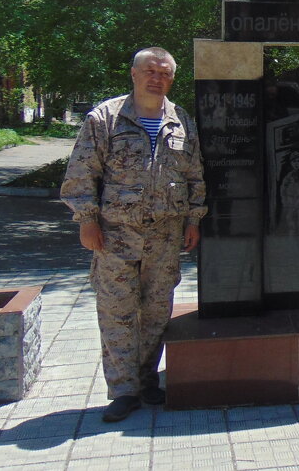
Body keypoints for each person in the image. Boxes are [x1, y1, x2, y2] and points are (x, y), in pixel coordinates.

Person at [61, 47, 206, 422]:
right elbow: (82, 172)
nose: (157, 79)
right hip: (116, 235)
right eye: (150, 71)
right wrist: (86, 219)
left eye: (165, 74)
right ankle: (123, 390)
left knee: (157, 309)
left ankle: (146, 380)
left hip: (165, 234)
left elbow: (194, 175)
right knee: (117, 311)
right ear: (134, 74)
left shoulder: (181, 121)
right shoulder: (106, 118)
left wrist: (193, 219)